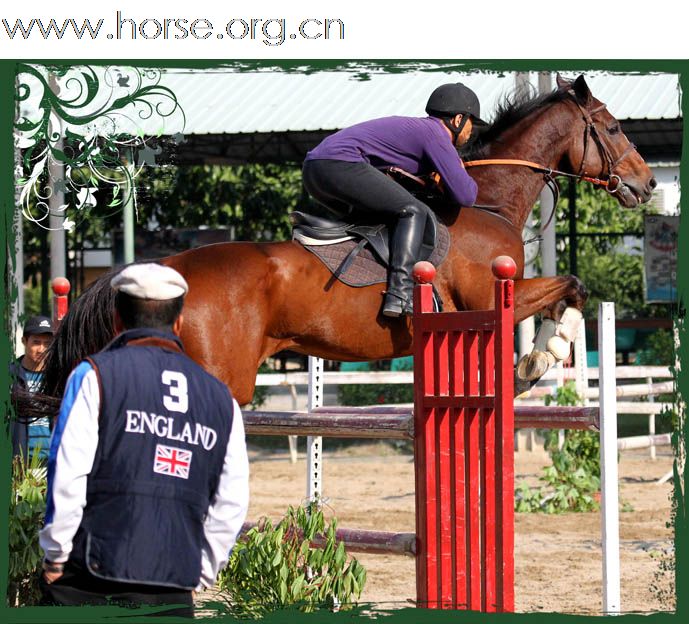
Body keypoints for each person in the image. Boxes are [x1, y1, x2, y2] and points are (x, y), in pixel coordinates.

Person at [39, 263, 249, 617]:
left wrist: (55, 554)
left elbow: (67, 473)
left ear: (117, 321)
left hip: (92, 574)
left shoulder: (93, 375)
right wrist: (200, 571)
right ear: (179, 323)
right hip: (174, 584)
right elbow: (232, 500)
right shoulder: (222, 399)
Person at [302, 83, 486, 317]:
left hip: (314, 169)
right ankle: (400, 293)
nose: (472, 131)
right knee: (412, 211)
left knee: (383, 218)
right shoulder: (437, 134)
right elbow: (466, 195)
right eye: (472, 122)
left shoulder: (421, 130)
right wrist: (458, 168)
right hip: (338, 164)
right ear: (458, 119)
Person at [10, 315, 54, 462]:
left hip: (52, 463)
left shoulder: (58, 377)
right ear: (24, 341)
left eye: (47, 344)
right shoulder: (9, 376)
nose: (42, 349)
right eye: (36, 342)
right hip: (19, 464)